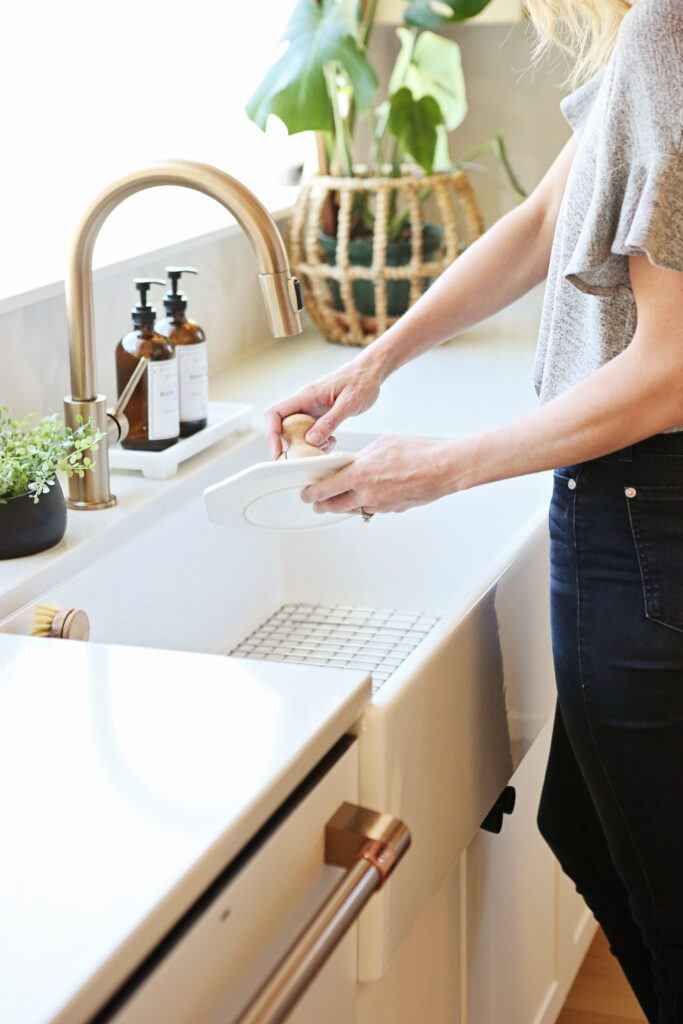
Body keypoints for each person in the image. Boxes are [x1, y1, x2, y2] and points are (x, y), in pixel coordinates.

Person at [264, 0, 683, 1019]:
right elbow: (547, 216)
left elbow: (669, 371)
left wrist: (444, 465)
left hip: (643, 518)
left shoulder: (666, 33)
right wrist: (371, 366)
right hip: (637, 518)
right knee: (588, 826)